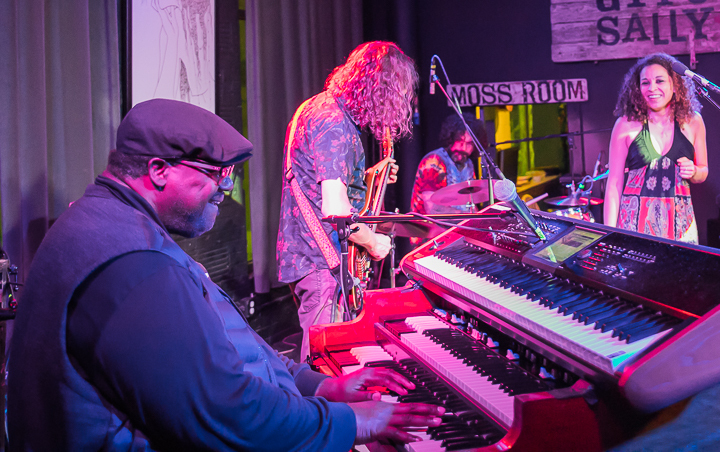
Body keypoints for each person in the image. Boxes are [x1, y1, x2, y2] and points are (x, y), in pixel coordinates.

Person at [7, 99, 443, 450]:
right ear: (159, 171)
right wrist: (351, 424)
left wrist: (320, 386)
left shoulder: (105, 219)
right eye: (217, 174)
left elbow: (234, 347)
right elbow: (227, 415)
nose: (227, 188)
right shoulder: (132, 268)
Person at [277, 41, 416, 361]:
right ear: (380, 89)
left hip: (309, 257)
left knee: (333, 359)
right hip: (322, 264)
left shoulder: (317, 108)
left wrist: (369, 177)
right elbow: (336, 211)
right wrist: (374, 243)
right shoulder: (334, 123)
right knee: (327, 364)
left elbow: (316, 182)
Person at [604, 53, 708, 245]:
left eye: (659, 81)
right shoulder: (625, 124)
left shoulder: (693, 122)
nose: (652, 88)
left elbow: (703, 171)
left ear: (675, 85)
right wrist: (610, 235)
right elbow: (614, 185)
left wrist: (694, 171)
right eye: (645, 83)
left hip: (681, 229)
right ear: (637, 88)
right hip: (634, 227)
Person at [410, 113, 490, 216]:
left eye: (469, 143)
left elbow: (469, 204)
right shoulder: (434, 161)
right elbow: (432, 209)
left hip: (454, 224)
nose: (463, 148)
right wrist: (465, 216)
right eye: (459, 140)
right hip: (428, 227)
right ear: (450, 138)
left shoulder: (468, 164)